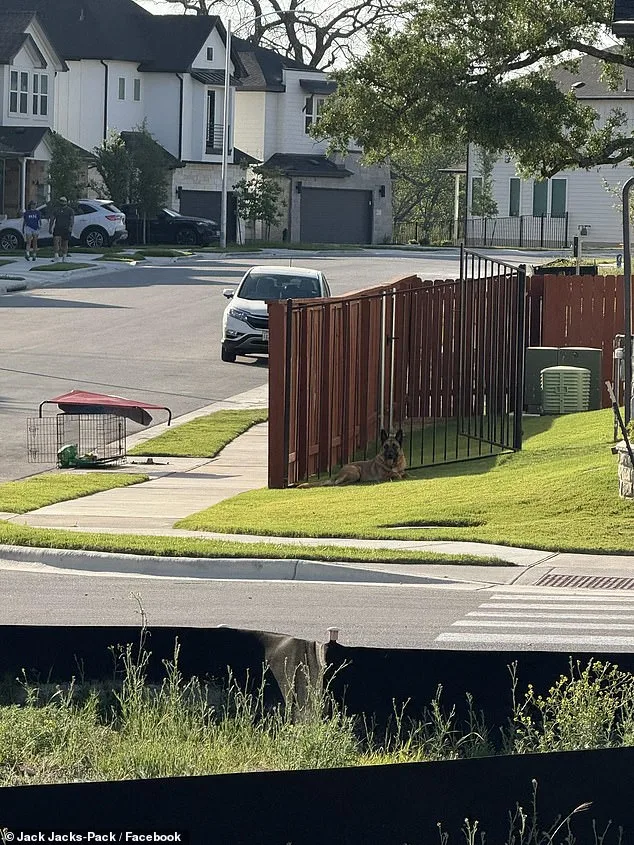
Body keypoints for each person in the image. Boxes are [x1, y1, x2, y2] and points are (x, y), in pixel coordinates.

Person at [49, 197, 74, 262]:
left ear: (66, 202)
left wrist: (70, 227)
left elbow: (72, 220)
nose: (62, 202)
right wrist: (50, 228)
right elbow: (52, 219)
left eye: (63, 201)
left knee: (65, 243)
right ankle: (56, 256)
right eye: (61, 201)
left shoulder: (70, 210)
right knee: (56, 242)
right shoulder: (56, 210)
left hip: (66, 228)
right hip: (57, 228)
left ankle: (64, 257)